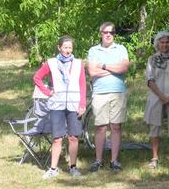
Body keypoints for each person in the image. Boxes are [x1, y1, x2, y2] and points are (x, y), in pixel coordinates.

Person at [32, 36, 88, 178]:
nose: (68, 51)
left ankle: (73, 167)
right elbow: (37, 77)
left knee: (73, 137)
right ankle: (53, 168)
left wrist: (82, 104)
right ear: (59, 47)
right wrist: (47, 92)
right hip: (57, 104)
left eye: (70, 48)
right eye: (65, 47)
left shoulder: (78, 63)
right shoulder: (51, 63)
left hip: (74, 104)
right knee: (57, 138)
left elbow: (82, 84)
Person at [86, 22, 131, 171]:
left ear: (114, 34)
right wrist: (114, 69)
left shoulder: (121, 49)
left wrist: (103, 66)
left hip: (118, 92)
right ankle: (98, 161)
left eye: (111, 32)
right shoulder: (93, 50)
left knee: (116, 127)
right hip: (99, 92)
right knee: (100, 127)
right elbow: (92, 72)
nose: (108, 35)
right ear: (101, 34)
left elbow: (124, 68)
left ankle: (114, 161)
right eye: (105, 32)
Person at [143, 31, 169, 168]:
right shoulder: (151, 59)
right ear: (157, 44)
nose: (165, 45)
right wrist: (162, 97)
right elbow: (150, 80)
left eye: (167, 42)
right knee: (154, 128)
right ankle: (154, 158)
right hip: (156, 98)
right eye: (162, 42)